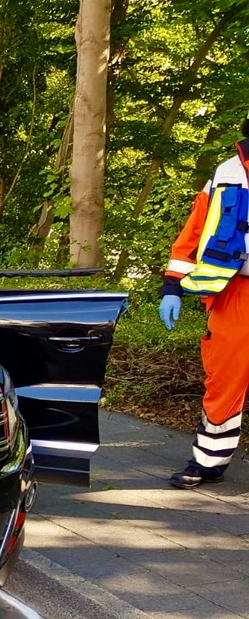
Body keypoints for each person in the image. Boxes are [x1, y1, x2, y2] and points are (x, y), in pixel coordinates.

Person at [158, 118, 249, 489]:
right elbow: (194, 233)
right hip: (234, 293)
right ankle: (209, 461)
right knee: (224, 378)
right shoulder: (227, 172)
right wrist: (172, 287)